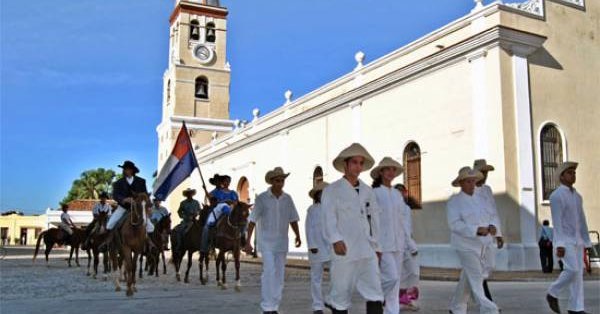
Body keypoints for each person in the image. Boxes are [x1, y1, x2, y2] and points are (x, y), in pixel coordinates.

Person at [321, 143, 384, 314]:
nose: (358, 167)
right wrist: (335, 239)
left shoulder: (367, 191)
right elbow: (328, 216)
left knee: (375, 291)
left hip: (366, 248)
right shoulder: (332, 190)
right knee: (341, 295)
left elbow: (374, 219)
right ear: (345, 165)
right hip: (344, 249)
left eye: (361, 163)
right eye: (354, 162)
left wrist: (377, 246)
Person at [244, 167, 301, 314]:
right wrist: (248, 241)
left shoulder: (288, 199)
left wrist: (298, 235)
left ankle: (274, 306)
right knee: (269, 272)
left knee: (279, 274)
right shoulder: (262, 198)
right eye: (277, 181)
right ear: (271, 181)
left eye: (282, 180)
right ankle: (266, 306)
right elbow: (252, 220)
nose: (280, 183)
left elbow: (293, 218)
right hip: (267, 242)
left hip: (281, 242)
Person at [447, 166, 499, 314]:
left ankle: (457, 306)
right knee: (476, 277)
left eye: (473, 181)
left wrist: (493, 226)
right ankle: (490, 309)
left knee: (479, 272)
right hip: (465, 245)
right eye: (468, 181)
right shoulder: (454, 201)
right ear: (461, 183)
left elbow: (491, 215)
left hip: (484, 244)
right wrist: (476, 229)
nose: (472, 184)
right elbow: (454, 224)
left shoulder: (482, 199)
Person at [546, 161, 592, 314]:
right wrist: (559, 244)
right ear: (562, 176)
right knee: (571, 270)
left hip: (577, 240)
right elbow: (557, 222)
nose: (573, 175)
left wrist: (586, 241)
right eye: (569, 172)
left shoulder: (577, 196)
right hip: (564, 241)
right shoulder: (556, 196)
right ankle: (552, 292)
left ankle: (576, 308)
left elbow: (582, 219)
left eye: (574, 172)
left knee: (578, 275)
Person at [371, 157, 407, 314]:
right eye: (388, 169)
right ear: (381, 172)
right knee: (391, 278)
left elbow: (402, 220)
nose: (391, 172)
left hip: (398, 243)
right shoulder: (374, 193)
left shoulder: (397, 195)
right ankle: (374, 294)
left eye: (393, 169)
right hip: (383, 244)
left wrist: (406, 242)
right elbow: (371, 220)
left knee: (396, 281)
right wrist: (374, 245)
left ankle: (392, 311)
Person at [473, 159, 503, 302]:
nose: (485, 175)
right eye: (483, 172)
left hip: (489, 237)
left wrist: (498, 233)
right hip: (475, 237)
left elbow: (493, 212)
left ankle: (460, 303)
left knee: (489, 265)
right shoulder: (469, 191)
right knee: (478, 269)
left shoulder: (487, 190)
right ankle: (487, 302)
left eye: (486, 172)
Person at [104, 161, 151, 234]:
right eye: (124, 169)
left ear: (132, 170)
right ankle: (107, 243)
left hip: (138, 208)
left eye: (126, 169)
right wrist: (124, 199)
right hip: (123, 207)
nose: (124, 171)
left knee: (151, 227)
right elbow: (115, 195)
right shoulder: (118, 183)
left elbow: (145, 195)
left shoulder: (141, 181)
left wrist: (148, 207)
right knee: (109, 225)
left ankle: (150, 244)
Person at [306, 181, 331, 314]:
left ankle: (333, 301)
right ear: (317, 195)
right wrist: (312, 245)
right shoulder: (312, 210)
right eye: (321, 193)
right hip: (317, 247)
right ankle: (317, 306)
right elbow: (308, 228)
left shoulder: (333, 209)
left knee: (337, 276)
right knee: (316, 278)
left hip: (332, 247)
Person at [394, 184, 420, 312]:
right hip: (401, 245)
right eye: (397, 192)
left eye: (402, 192)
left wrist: (411, 241)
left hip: (408, 244)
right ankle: (399, 301)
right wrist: (412, 246)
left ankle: (410, 299)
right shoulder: (394, 209)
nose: (400, 195)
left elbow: (408, 229)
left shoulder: (407, 208)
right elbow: (402, 229)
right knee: (399, 275)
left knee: (414, 273)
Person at [174, 188, 201, 252]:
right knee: (180, 231)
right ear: (186, 195)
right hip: (186, 221)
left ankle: (202, 246)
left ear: (192, 194)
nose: (189, 195)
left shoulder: (196, 202)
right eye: (188, 194)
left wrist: (197, 213)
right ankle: (179, 245)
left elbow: (199, 210)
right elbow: (179, 212)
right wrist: (185, 217)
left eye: (190, 193)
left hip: (195, 220)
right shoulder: (183, 203)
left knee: (202, 230)